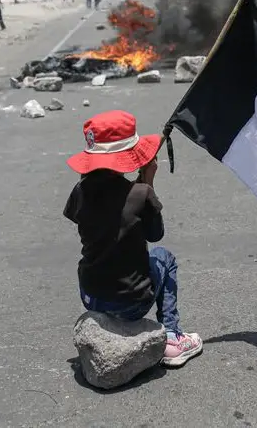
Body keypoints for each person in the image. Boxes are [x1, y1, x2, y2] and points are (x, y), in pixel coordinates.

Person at [64, 110, 203, 368]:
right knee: (164, 257)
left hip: (90, 295)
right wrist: (147, 182)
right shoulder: (141, 194)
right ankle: (172, 337)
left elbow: (92, 217)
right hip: (130, 304)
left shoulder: (79, 192)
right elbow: (155, 234)